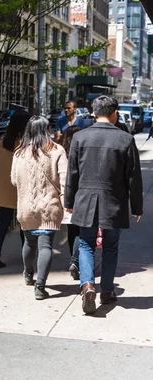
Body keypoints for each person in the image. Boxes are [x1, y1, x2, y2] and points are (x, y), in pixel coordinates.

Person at [65, 95, 143, 315]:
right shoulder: (125, 139)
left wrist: (68, 202)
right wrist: (136, 207)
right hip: (114, 201)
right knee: (110, 247)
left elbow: (72, 174)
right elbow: (133, 178)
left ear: (93, 113)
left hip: (85, 200)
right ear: (114, 113)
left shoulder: (79, 138)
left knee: (86, 244)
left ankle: (88, 285)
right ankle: (107, 290)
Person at [11, 116, 67, 300]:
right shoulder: (57, 150)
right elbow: (64, 180)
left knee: (29, 243)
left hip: (26, 207)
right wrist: (67, 203)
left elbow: (13, 180)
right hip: (49, 207)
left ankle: (28, 274)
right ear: (47, 130)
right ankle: (40, 286)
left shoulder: (19, 153)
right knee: (45, 247)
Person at [0, 110, 31, 269]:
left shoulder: (1, 141)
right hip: (21, 188)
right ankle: (26, 255)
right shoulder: (24, 143)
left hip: (3, 189)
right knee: (24, 224)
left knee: (3, 222)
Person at [59, 125, 82, 280]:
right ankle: (75, 261)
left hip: (66, 197)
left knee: (71, 231)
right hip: (81, 196)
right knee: (81, 231)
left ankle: (73, 259)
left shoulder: (61, 153)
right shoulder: (82, 153)